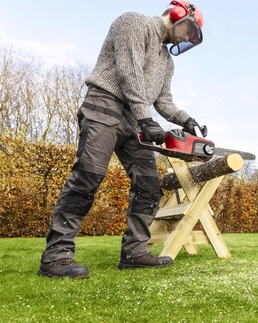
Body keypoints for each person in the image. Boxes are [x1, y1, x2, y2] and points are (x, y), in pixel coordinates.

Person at [38, 1, 205, 279]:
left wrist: (185, 119)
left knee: (149, 184)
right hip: (104, 105)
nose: (187, 37)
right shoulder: (133, 22)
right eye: (189, 30)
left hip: (133, 119)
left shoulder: (167, 62)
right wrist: (146, 118)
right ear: (177, 15)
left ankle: (134, 252)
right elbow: (129, 73)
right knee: (87, 177)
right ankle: (56, 257)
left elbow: (163, 100)